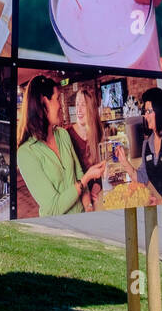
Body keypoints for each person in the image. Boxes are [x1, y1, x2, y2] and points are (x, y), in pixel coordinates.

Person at [17, 74, 104, 215]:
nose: (61, 105)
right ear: (44, 102)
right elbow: (53, 208)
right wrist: (85, 180)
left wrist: (88, 207)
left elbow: (79, 174)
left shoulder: (63, 135)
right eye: (57, 99)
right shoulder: (26, 153)